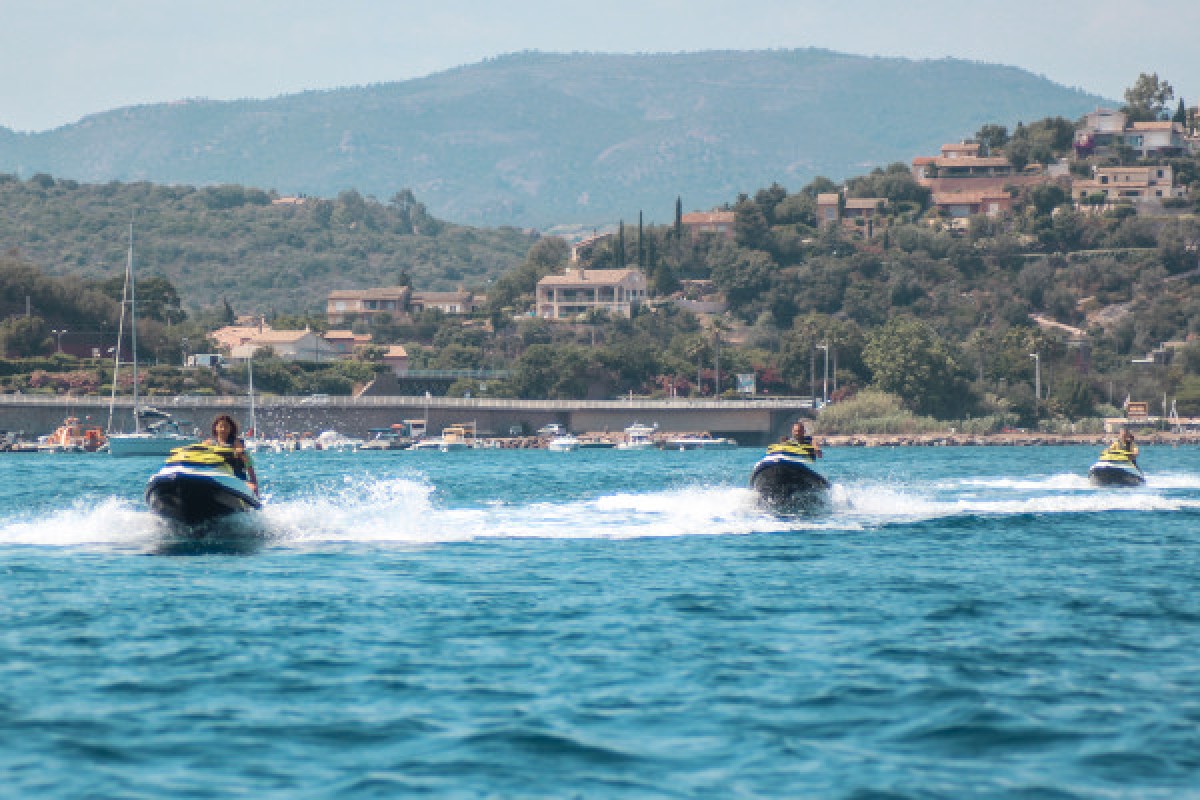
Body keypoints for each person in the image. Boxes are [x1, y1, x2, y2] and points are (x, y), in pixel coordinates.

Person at [205, 414, 258, 494]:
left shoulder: (238, 445)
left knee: (252, 488)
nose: (223, 429)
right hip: (216, 478)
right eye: (221, 426)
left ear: (230, 429)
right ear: (215, 428)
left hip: (237, 480)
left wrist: (254, 486)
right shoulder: (208, 443)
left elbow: (250, 470)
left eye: (226, 427)